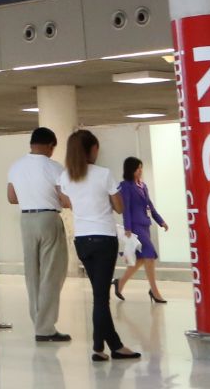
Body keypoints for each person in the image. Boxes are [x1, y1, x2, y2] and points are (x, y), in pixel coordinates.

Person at [57, 129, 139, 361]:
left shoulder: (66, 177)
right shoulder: (103, 174)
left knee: (99, 293)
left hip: (82, 240)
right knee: (101, 297)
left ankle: (108, 345)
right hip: (103, 238)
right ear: (92, 149)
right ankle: (102, 347)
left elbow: (68, 203)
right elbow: (119, 208)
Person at [7, 127, 70, 342]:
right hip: (48, 219)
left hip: (26, 220)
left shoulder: (16, 166)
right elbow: (64, 199)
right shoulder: (54, 168)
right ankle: (46, 328)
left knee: (32, 274)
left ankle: (38, 321)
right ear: (49, 145)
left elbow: (12, 197)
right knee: (52, 273)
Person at [114, 157, 167, 302]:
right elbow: (126, 209)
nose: (140, 170)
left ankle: (120, 283)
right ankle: (154, 291)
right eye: (138, 168)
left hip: (145, 225)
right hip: (135, 227)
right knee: (149, 255)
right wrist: (128, 227)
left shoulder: (143, 186)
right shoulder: (125, 186)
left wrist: (160, 220)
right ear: (131, 170)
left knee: (141, 260)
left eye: (141, 167)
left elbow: (150, 205)